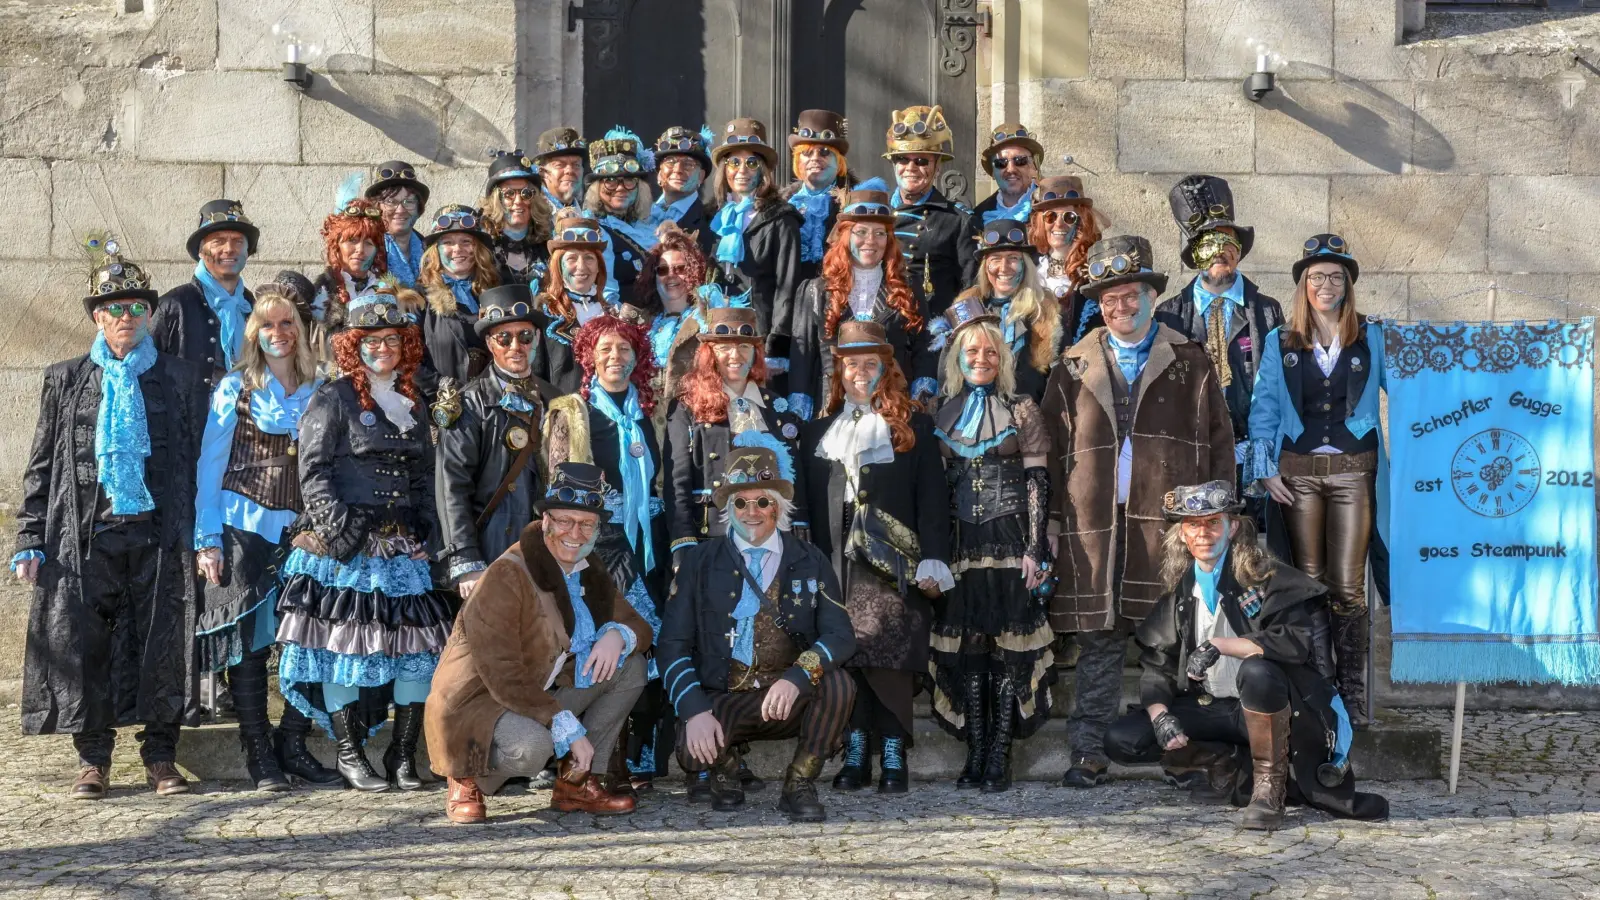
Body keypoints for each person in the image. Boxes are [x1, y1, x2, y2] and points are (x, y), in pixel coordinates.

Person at [13, 238, 210, 799]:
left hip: (158, 535)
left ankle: (161, 757)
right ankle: (93, 759)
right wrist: (30, 535)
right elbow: (43, 464)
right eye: (113, 308)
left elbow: (198, 462)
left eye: (135, 307)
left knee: (161, 644)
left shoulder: (179, 376)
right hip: (86, 536)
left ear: (150, 315)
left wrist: (202, 535)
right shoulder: (66, 378)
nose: (125, 316)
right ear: (98, 317)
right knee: (85, 646)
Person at [1041, 235, 1235, 790]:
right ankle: (1088, 751)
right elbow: (1054, 456)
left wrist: (1217, 519)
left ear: (1152, 296)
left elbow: (1221, 442)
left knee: (1168, 644)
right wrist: (1053, 523)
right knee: (1099, 641)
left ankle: (1181, 753)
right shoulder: (1072, 366)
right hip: (1093, 524)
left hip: (1170, 524)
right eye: (1109, 300)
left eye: (1130, 296)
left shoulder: (1191, 360)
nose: (1120, 308)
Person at [1104, 480, 1389, 828]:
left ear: (1233, 527)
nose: (1203, 533)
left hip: (1276, 709)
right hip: (1214, 708)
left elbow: (1293, 644)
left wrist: (1220, 646)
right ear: (1182, 534)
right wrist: (1162, 718)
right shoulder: (1181, 591)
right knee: (1122, 739)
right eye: (1194, 525)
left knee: (1256, 672)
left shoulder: (1267, 578)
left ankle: (1269, 789)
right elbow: (1156, 667)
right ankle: (1234, 767)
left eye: (1213, 523)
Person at [275, 286, 449, 793]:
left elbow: (422, 477)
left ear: (404, 344)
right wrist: (340, 532)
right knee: (347, 649)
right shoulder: (333, 396)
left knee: (415, 653)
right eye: (370, 341)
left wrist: (424, 532)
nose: (381, 349)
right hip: (350, 548)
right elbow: (314, 472)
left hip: (402, 549)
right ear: (354, 344)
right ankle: (351, 756)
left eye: (390, 340)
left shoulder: (413, 400)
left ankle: (401, 757)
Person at [426, 463, 653, 823]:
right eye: (565, 521)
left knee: (630, 667)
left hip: (537, 690)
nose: (574, 534)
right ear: (545, 520)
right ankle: (466, 774)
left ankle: (576, 781)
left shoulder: (587, 567)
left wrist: (616, 635)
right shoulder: (507, 573)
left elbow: (639, 626)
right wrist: (561, 720)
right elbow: (502, 672)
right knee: (533, 748)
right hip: (480, 701)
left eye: (586, 524)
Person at [660, 434, 856, 822]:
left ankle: (800, 781)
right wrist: (694, 710)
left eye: (763, 501)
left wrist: (800, 675)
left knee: (839, 685)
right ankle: (726, 768)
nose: (752, 511)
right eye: (741, 502)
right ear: (728, 508)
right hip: (725, 697)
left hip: (788, 698)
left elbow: (840, 635)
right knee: (689, 749)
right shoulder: (700, 560)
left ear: (778, 507)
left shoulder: (808, 558)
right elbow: (672, 644)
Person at [193, 282, 340, 791]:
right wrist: (207, 538)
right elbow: (209, 467)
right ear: (255, 333)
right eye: (268, 324)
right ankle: (258, 751)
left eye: (287, 324)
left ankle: (293, 742)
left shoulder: (322, 388)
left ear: (300, 332)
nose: (278, 333)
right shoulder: (235, 388)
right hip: (245, 525)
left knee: (313, 636)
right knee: (251, 643)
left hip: (305, 531)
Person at [800, 321, 952, 793]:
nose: (860, 373)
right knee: (847, 652)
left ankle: (892, 750)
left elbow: (932, 500)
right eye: (852, 364)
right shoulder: (816, 432)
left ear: (886, 369)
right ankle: (856, 744)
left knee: (889, 649)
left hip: (895, 559)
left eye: (870, 364)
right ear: (839, 371)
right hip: (834, 558)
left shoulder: (914, 427)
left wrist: (935, 559)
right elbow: (804, 506)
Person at [1245, 234, 1384, 726]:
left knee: (1348, 585)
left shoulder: (1373, 335)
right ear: (1303, 286)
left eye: (1335, 277)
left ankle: (1353, 693)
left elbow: (1417, 380)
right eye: (1316, 277)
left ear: (1348, 286)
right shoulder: (1280, 341)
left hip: (1353, 472)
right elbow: (1262, 408)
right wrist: (1263, 470)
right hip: (1298, 476)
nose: (1325, 285)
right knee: (1307, 581)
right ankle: (1320, 688)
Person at [927, 299, 1057, 793]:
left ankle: (1000, 752)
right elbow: (938, 488)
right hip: (963, 543)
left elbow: (1037, 483)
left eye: (989, 352)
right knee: (970, 648)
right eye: (970, 352)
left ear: (1002, 357)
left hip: (1009, 540)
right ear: (957, 359)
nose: (981, 359)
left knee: (1009, 646)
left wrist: (1035, 548)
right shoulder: (944, 411)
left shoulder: (1022, 408)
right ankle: (976, 749)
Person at [544, 314, 668, 792]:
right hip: (597, 546)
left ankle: (641, 749)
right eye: (604, 350)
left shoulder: (651, 412)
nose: (614, 358)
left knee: (650, 639)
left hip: (649, 543)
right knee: (599, 646)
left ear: (638, 357)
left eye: (624, 349)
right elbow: (561, 490)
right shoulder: (570, 411)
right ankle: (601, 754)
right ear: (589, 358)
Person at [434, 284, 560, 603]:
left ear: (537, 339)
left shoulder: (556, 400)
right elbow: (452, 485)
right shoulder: (470, 404)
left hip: (548, 546)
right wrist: (465, 559)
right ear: (490, 343)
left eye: (525, 336)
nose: (516, 346)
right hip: (491, 547)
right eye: (504, 338)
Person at [1155, 175, 1285, 486]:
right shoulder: (1168, 315)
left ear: (1239, 252)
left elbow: (1279, 388)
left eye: (1228, 241)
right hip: (1191, 453)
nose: (1220, 251)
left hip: (1252, 453)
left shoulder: (1267, 311)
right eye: (1208, 244)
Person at [665, 306, 809, 559]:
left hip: (774, 540)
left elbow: (796, 480)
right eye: (724, 347)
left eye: (744, 347)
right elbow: (678, 482)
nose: (735, 355)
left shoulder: (777, 408)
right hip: (712, 538)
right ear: (710, 354)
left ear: (755, 353)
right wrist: (683, 543)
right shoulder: (686, 407)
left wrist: (800, 534)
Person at [788, 179, 936, 419]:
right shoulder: (815, 291)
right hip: (830, 408)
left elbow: (924, 348)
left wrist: (920, 403)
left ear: (889, 240)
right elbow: (802, 358)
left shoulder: (908, 287)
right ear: (846, 237)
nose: (871, 241)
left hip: (893, 407)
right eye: (861, 232)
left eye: (880, 233)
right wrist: (800, 421)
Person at [708, 118, 803, 366]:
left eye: (751, 162)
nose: (742, 170)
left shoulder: (781, 217)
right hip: (720, 332)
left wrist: (777, 346)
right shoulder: (715, 216)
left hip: (759, 332)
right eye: (734, 162)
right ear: (724, 169)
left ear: (763, 170)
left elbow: (788, 285)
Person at [939, 219, 1062, 403]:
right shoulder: (966, 307)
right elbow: (946, 369)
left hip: (1027, 415)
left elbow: (1057, 382)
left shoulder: (1044, 312)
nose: (1004, 268)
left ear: (1025, 265)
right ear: (985, 267)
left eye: (1013, 258)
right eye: (996, 259)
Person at [152, 199, 261, 386]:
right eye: (218, 241)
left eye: (238, 241)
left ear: (248, 251)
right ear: (201, 252)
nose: (229, 249)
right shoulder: (172, 306)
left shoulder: (255, 307)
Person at [883, 105, 975, 319]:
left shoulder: (958, 221)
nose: (911, 167)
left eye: (922, 161)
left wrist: (956, 334)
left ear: (938, 167)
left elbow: (970, 288)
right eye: (902, 159)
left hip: (931, 334)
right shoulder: (878, 214)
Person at [417, 204, 499, 388]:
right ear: (435, 250)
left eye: (466, 241)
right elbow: (409, 358)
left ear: (477, 248)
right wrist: (442, 387)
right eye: (447, 242)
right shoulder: (418, 297)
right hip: (439, 404)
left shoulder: (496, 290)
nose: (457, 249)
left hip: (493, 402)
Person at [532, 213, 613, 395]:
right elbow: (535, 377)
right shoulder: (543, 315)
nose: (581, 266)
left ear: (599, 265)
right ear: (558, 266)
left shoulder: (612, 313)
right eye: (572, 258)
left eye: (589, 258)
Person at [1029, 176, 1106, 346]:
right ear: (1041, 222)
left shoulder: (1095, 270)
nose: (1059, 224)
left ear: (1081, 222)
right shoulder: (1029, 267)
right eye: (1050, 217)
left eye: (1069, 217)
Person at [784, 109, 853, 284]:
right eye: (807, 153)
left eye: (824, 152)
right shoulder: (781, 206)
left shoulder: (854, 205)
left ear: (839, 163)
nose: (815, 158)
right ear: (798, 161)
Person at [311, 198, 387, 331]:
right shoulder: (319, 293)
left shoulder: (389, 291)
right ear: (336, 246)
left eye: (369, 243)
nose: (360, 250)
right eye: (352, 240)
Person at [482, 149, 554, 288]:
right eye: (509, 194)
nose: (518, 201)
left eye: (526, 193)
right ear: (496, 200)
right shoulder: (483, 247)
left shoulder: (549, 245)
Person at [652, 125, 718, 259]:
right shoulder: (639, 215)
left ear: (701, 176)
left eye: (688, 164)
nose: (678, 169)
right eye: (670, 162)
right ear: (659, 174)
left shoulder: (712, 224)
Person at [366, 160, 430, 289]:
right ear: (378, 207)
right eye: (391, 202)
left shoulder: (431, 251)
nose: (400, 210)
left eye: (409, 202)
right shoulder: (365, 250)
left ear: (419, 208)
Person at [969, 123, 1042, 233]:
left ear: (1033, 166)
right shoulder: (977, 216)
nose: (1011, 169)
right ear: (993, 172)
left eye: (1020, 161)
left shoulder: (1050, 207)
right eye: (1001, 163)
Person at [533, 126, 588, 223]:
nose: (569, 170)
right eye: (560, 165)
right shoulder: (532, 214)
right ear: (542, 172)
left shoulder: (588, 217)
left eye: (576, 165)